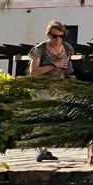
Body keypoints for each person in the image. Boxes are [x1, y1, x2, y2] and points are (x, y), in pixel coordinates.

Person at [28, 20, 75, 162]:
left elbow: (67, 65)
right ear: (49, 35)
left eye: (61, 36)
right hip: (42, 87)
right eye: (55, 36)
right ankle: (41, 149)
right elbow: (33, 72)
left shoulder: (67, 48)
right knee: (44, 117)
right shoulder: (39, 49)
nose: (58, 39)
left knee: (53, 118)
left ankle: (46, 150)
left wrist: (70, 75)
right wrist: (53, 65)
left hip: (58, 87)